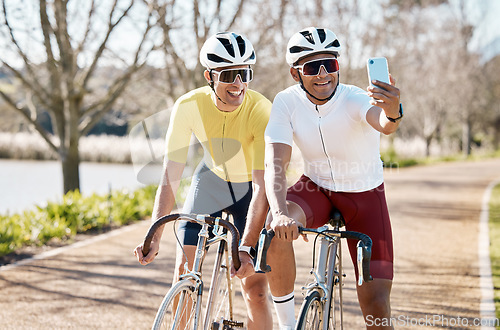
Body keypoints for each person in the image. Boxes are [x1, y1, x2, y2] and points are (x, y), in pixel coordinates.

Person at [235, 27, 402, 329]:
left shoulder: (354, 98)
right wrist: (281, 213)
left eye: (331, 64)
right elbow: (275, 163)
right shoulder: (286, 102)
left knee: (377, 307)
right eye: (313, 67)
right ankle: (288, 325)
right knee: (274, 231)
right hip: (316, 188)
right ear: (295, 73)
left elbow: (383, 123)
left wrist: (392, 112)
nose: (324, 73)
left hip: (365, 197)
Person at [133, 32, 273, 329]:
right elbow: (170, 176)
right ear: (209, 76)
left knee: (256, 290)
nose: (239, 84)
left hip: (252, 190)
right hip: (211, 182)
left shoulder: (260, 109)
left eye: (245, 73)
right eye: (229, 75)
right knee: (184, 273)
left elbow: (263, 185)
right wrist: (154, 233)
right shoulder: (188, 105)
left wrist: (246, 247)